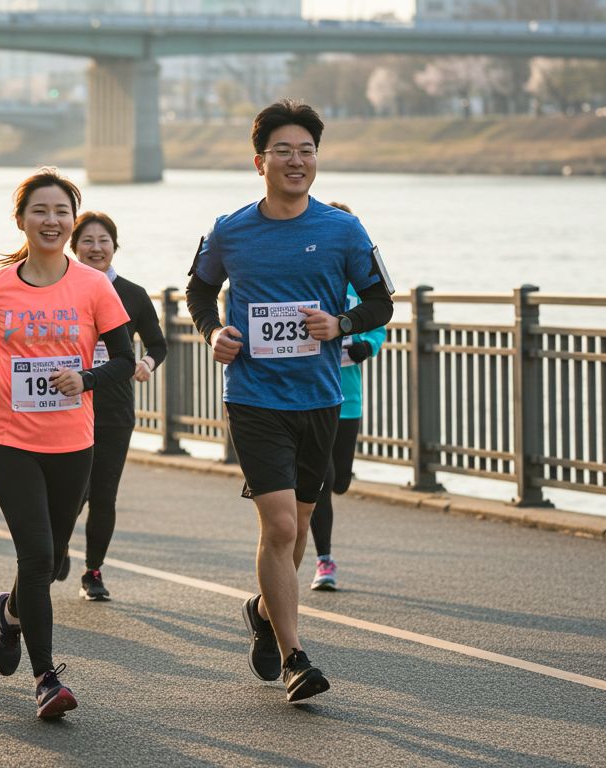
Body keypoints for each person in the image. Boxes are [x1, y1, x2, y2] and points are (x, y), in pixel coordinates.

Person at [184, 100, 394, 703]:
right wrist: (211, 332)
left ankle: (262, 608)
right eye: (284, 150)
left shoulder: (343, 230)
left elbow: (381, 304)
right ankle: (296, 656)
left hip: (321, 398)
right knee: (277, 524)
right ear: (260, 161)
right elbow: (199, 291)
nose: (296, 160)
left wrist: (342, 323)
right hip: (253, 397)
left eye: (306, 150)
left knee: (297, 531)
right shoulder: (230, 229)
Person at [0, 169, 135, 719]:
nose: (51, 220)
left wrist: (85, 379)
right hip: (10, 439)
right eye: (40, 210)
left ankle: (11, 611)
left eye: (61, 211)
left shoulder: (93, 285)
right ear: (22, 220)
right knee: (36, 556)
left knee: (54, 559)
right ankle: (46, 678)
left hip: (73, 442)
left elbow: (126, 360)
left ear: (71, 220)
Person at [65, 211, 167, 601]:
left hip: (114, 409)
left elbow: (158, 344)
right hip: (66, 404)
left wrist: (145, 363)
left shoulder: (134, 294)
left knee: (104, 493)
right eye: (87, 241)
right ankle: (57, 547)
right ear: (74, 248)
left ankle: (93, 571)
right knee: (71, 492)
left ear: (114, 246)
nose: (96, 248)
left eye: (103, 240)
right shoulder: (61, 289)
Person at [307, 201, 387, 592]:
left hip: (348, 396)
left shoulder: (360, 287)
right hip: (313, 392)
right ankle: (324, 560)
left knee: (339, 480)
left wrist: (365, 347)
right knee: (323, 480)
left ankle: (338, 478)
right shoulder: (307, 281)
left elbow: (378, 328)